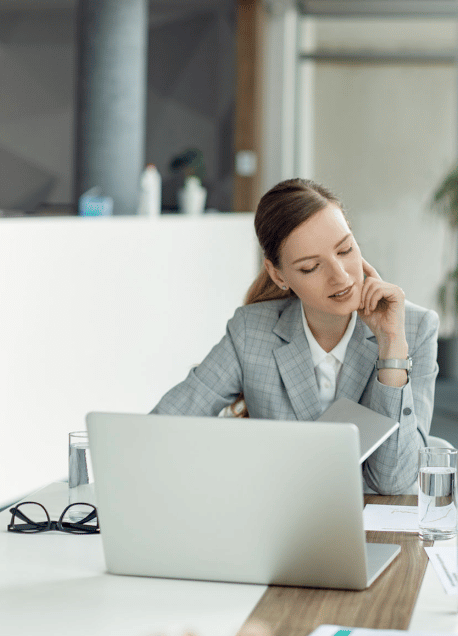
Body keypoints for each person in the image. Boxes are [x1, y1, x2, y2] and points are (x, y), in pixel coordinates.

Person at [151, 178, 438, 495]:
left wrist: (391, 347)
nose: (341, 276)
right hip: (274, 520)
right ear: (278, 275)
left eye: (345, 249)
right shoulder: (252, 331)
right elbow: (163, 426)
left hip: (373, 525)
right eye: (311, 267)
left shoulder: (414, 327)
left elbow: (393, 481)